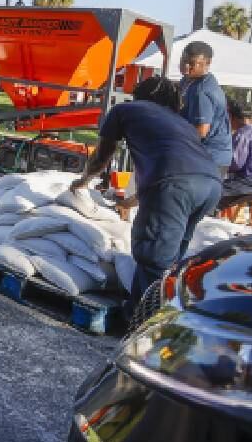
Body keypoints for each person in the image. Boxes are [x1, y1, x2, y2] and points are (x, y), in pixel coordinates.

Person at [71, 76, 221, 305]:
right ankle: (166, 312)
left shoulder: (124, 110)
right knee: (173, 259)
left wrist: (82, 182)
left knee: (154, 257)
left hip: (176, 185)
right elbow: (169, 169)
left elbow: (102, 156)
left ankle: (142, 321)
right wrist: (131, 202)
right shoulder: (180, 123)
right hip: (210, 185)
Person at [177, 41, 233, 171]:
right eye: (183, 60)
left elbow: (201, 130)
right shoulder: (187, 80)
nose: (186, 66)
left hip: (210, 158)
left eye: (192, 63)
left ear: (207, 64)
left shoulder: (201, 91)